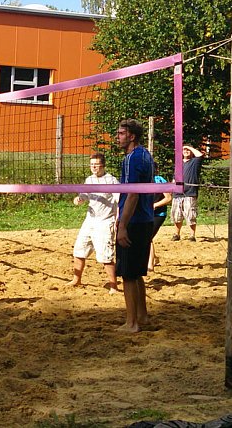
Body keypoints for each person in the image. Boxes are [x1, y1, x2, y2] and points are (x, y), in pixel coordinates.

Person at [115, 119, 155, 333]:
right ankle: (142, 316)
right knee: (137, 272)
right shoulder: (146, 154)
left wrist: (122, 225)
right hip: (146, 219)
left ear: (132, 136)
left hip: (135, 221)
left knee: (128, 274)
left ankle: (132, 323)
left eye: (121, 133)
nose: (117, 137)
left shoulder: (132, 158)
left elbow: (132, 194)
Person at [69, 153, 120, 293]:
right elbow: (85, 195)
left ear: (102, 165)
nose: (93, 167)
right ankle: (76, 279)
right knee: (79, 249)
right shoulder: (89, 179)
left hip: (105, 221)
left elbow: (119, 200)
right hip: (90, 220)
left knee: (105, 255)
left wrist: (118, 218)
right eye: (91, 164)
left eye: (96, 165)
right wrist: (79, 199)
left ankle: (113, 285)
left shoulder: (111, 180)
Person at [171, 145, 204, 242]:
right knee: (176, 215)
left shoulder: (195, 162)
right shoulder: (179, 163)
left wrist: (188, 147)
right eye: (184, 150)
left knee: (190, 215)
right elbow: (175, 177)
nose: (185, 151)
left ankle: (192, 235)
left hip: (190, 193)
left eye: (187, 150)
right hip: (177, 193)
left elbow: (200, 155)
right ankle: (177, 234)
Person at [148, 165, 173, 271]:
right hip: (146, 214)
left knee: (148, 238)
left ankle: (150, 265)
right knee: (144, 238)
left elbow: (168, 198)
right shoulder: (142, 181)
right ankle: (154, 258)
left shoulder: (159, 181)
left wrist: (155, 205)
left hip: (159, 214)